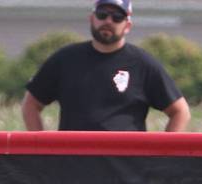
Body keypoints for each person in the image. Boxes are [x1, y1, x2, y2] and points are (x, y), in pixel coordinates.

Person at [21, 0, 190, 132]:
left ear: (127, 26)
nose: (108, 21)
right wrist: (43, 152)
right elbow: (31, 104)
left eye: (117, 17)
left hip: (128, 172)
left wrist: (163, 157)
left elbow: (180, 112)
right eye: (102, 14)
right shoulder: (65, 59)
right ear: (92, 18)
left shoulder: (143, 63)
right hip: (72, 169)